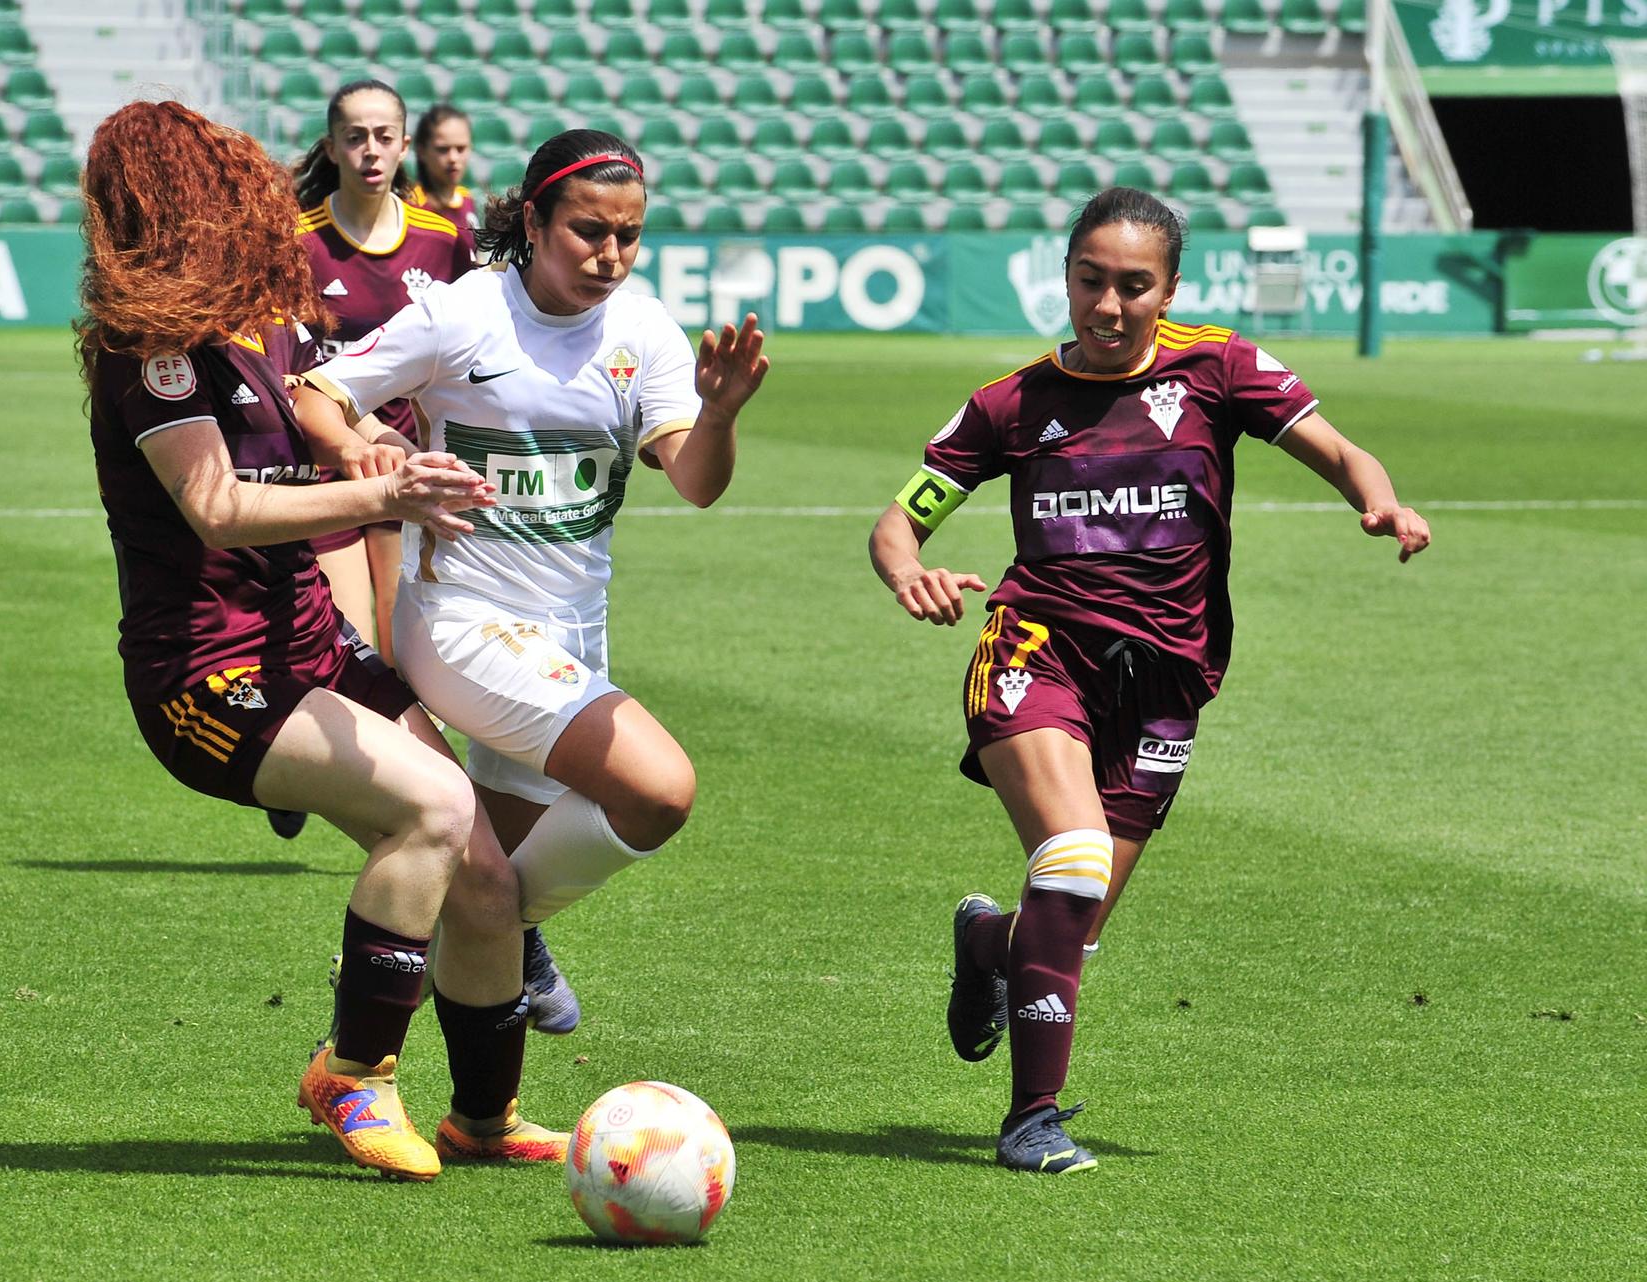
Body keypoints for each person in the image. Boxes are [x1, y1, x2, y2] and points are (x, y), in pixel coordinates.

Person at [868, 187, 1431, 1174]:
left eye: (1134, 285)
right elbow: (900, 517)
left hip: (1164, 683)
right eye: (1091, 280)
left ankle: (987, 944)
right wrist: (907, 568)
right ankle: (1030, 1121)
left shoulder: (1217, 367)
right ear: (1067, 278)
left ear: (1167, 287)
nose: (1109, 304)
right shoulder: (1011, 402)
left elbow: (1336, 447)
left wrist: (1377, 500)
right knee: (1074, 857)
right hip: (1031, 654)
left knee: (1068, 920)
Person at [77, 99, 566, 1181]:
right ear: (175, 206)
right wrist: (385, 495)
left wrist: (372, 438)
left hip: (304, 639)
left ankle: (483, 1117)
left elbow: (313, 406)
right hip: (207, 675)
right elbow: (215, 506)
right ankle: (353, 1071)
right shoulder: (148, 345)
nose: (256, 200)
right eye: (224, 186)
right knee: (431, 809)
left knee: (486, 870)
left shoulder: (254, 313)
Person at [293, 129, 771, 1038]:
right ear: (535, 220)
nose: (612, 255)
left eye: (630, 235)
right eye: (589, 230)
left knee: (485, 873)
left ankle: (380, 1024)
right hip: (461, 623)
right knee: (659, 789)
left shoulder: (646, 330)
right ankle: (488, 937)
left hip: (571, 634)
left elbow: (699, 481)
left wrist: (719, 412)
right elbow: (318, 393)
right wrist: (363, 451)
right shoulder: (463, 312)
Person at [292, 80, 473, 663]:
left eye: (383, 136)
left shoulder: (444, 241)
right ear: (331, 148)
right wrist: (350, 437)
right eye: (355, 137)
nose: (370, 150)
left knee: (407, 654)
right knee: (355, 650)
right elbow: (284, 365)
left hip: (410, 467)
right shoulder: (296, 242)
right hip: (325, 468)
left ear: (402, 149)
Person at [408, 103, 480, 245]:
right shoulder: (411, 205)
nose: (453, 158)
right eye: (442, 149)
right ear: (421, 151)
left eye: (461, 149)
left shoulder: (467, 198)